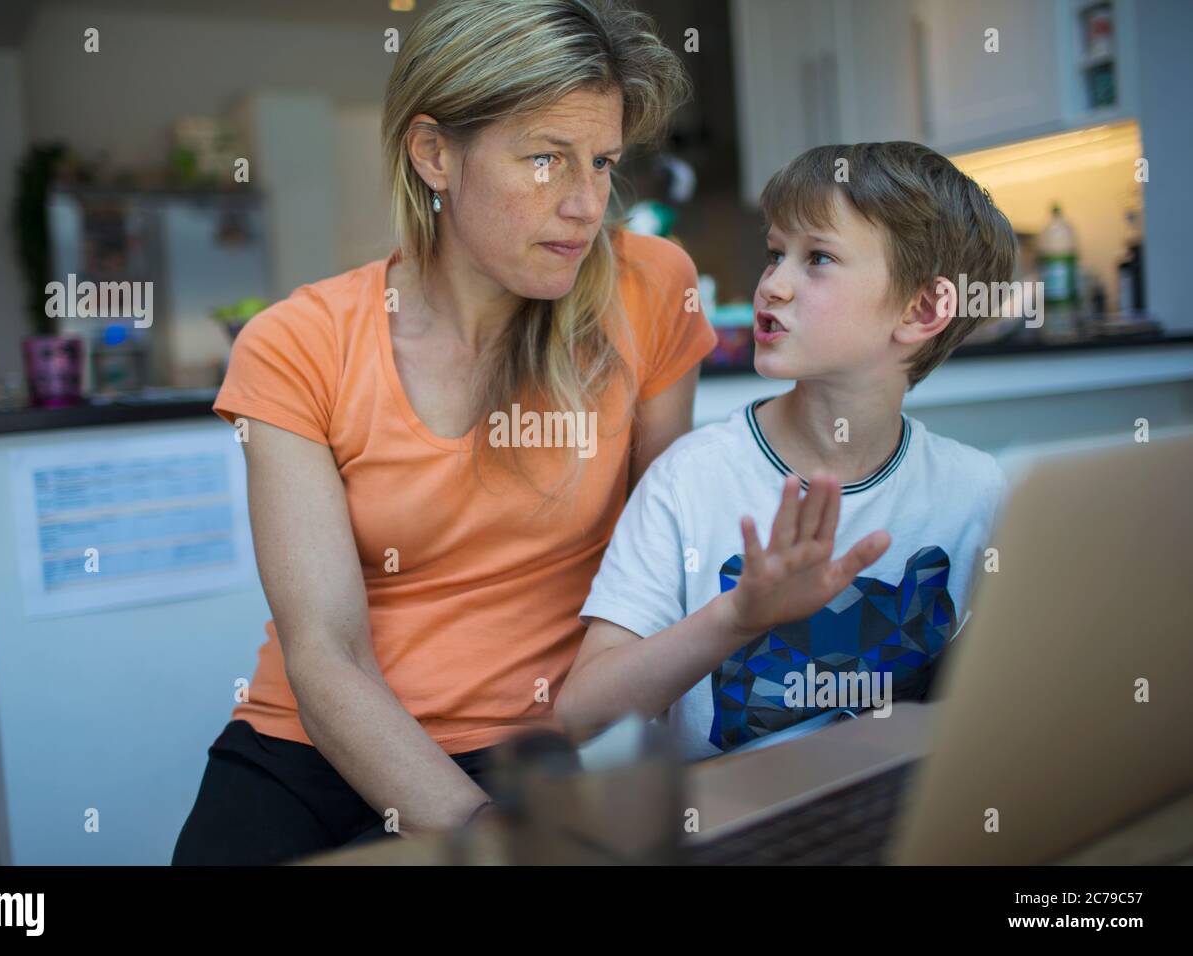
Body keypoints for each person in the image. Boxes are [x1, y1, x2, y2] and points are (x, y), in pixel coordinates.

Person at [172, 0, 716, 864]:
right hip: (315, 746)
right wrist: (484, 838)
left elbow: (662, 563)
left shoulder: (652, 288)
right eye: (545, 160)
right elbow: (326, 655)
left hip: (538, 745)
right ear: (434, 153)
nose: (587, 204)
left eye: (603, 162)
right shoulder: (296, 344)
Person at [556, 142, 1016, 762]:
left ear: (924, 308)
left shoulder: (978, 492)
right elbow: (581, 714)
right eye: (776, 255)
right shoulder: (690, 480)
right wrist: (737, 617)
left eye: (817, 258)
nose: (772, 285)